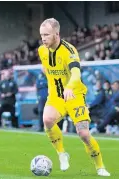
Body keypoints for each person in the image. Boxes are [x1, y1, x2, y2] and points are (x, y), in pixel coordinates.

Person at [38, 18, 110, 176]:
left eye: (47, 35)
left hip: (74, 95)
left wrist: (69, 86)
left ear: (57, 34)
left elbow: (76, 72)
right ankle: (62, 154)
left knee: (83, 134)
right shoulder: (42, 50)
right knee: (47, 120)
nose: (43, 38)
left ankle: (100, 166)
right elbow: (46, 68)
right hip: (56, 96)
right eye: (42, 35)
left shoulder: (69, 51)